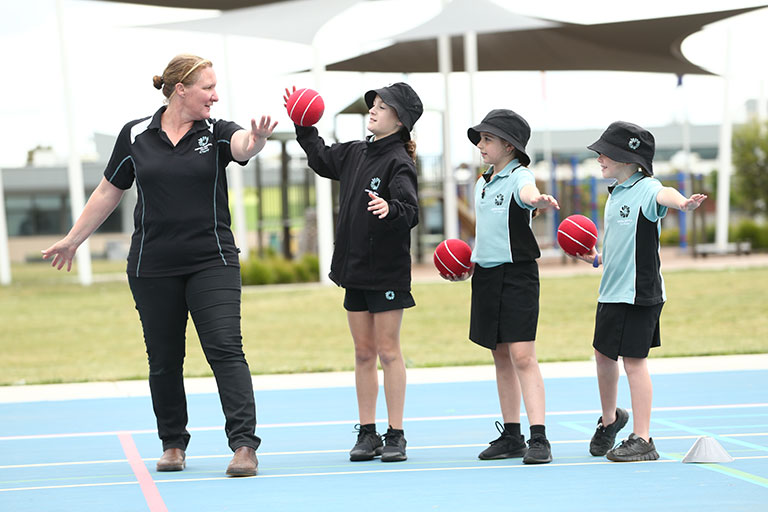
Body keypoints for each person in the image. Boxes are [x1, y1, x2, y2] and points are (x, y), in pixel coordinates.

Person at [42, 54, 277, 477]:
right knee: (164, 359)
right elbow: (108, 191)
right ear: (180, 90)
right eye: (208, 87)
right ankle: (173, 444)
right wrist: (73, 240)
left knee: (225, 348)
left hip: (212, 261)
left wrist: (256, 140)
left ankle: (244, 446)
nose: (215, 95)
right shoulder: (134, 135)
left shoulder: (217, 131)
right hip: (152, 266)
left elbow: (243, 145)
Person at [286, 82, 422, 462]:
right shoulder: (355, 153)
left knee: (388, 352)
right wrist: (303, 124)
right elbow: (320, 157)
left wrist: (390, 209)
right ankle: (368, 433)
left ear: (400, 120)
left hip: (387, 273)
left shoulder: (400, 162)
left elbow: (410, 211)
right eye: (373, 105)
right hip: (355, 269)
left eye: (382, 106)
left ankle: (396, 434)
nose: (373, 110)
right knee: (363, 353)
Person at [573, 121, 707, 462]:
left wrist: (684, 204)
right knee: (603, 356)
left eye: (607, 153)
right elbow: (623, 242)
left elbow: (666, 195)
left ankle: (644, 438)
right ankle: (610, 420)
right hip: (611, 292)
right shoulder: (617, 192)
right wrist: (598, 258)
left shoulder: (649, 189)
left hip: (640, 294)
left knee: (634, 362)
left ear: (630, 159)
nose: (600, 158)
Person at [446, 109, 559, 464]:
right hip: (487, 276)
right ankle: (512, 436)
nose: (480, 144)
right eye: (480, 138)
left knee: (523, 356)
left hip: (518, 275)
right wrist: (469, 266)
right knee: (500, 357)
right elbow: (486, 235)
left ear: (509, 145)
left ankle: (539, 438)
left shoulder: (519, 177)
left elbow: (527, 193)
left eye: (487, 139)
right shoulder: (482, 182)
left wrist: (535, 201)